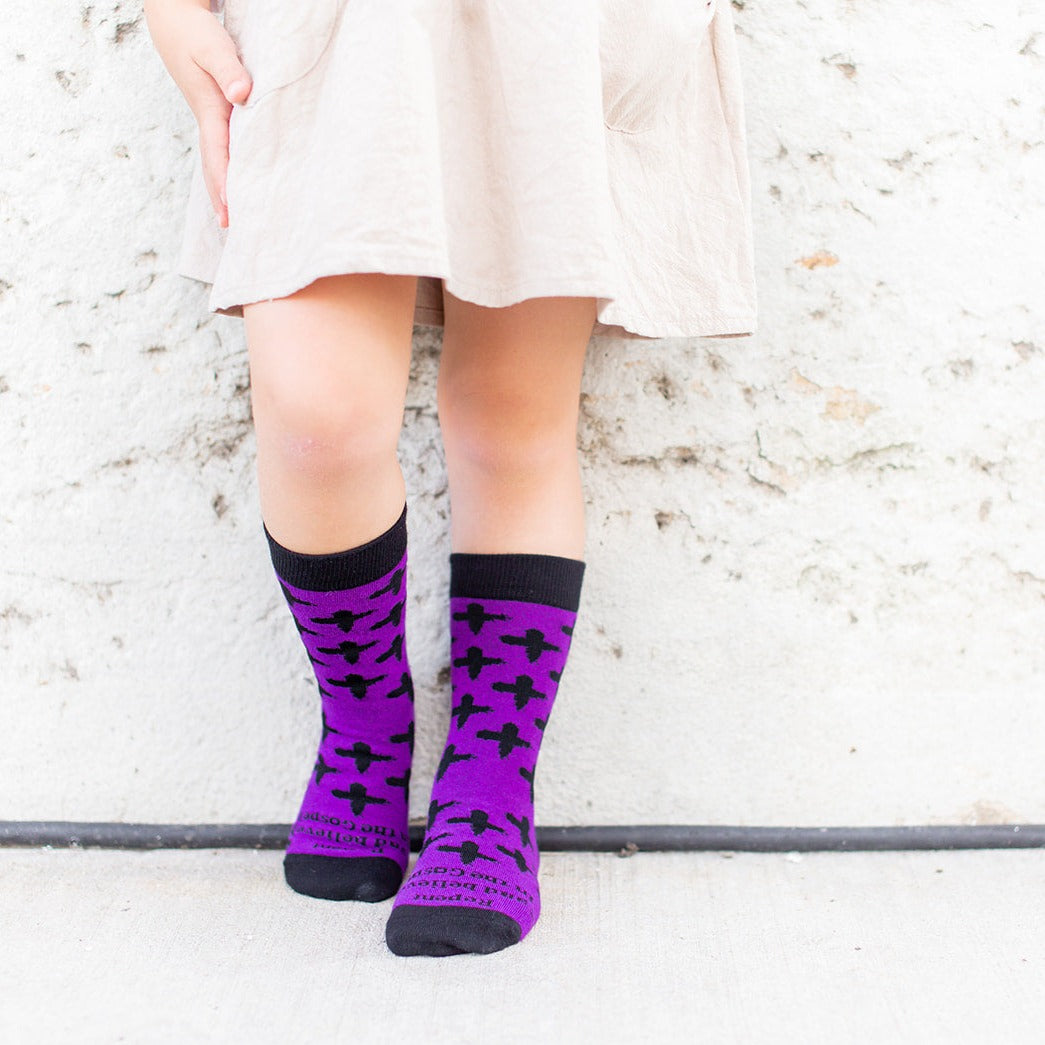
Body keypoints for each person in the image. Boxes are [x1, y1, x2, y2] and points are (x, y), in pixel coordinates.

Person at [143, 0, 756, 957]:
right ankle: (365, 729)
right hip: (334, 30)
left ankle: (489, 784)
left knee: (509, 423)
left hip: (552, 29)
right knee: (316, 420)